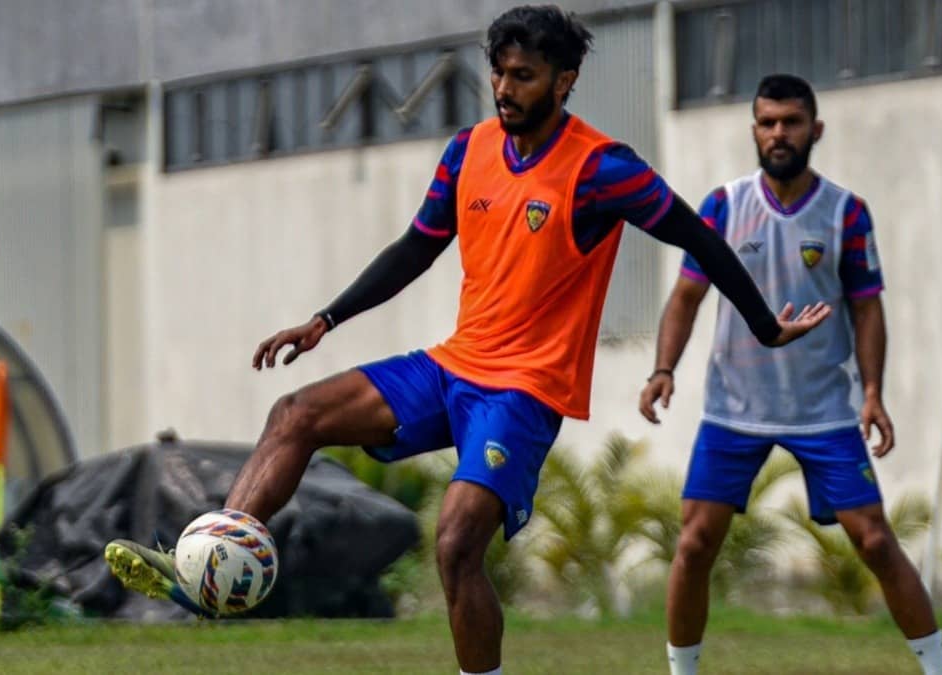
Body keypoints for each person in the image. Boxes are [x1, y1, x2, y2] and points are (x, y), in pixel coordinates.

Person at [105, 8, 828, 674]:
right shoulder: (468, 150)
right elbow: (416, 248)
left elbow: (698, 235)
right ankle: (210, 565)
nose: (505, 89)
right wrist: (325, 318)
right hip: (452, 366)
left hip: (523, 391)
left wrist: (765, 325)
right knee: (296, 413)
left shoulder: (602, 168)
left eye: (524, 76)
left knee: (455, 547)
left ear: (564, 81)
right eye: (499, 72)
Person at [639, 73, 942, 675]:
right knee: (695, 543)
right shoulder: (724, 206)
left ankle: (938, 670)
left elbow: (867, 306)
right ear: (754, 129)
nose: (778, 133)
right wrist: (662, 369)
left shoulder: (846, 212)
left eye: (791, 122)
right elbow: (685, 297)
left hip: (824, 410)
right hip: (735, 407)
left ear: (816, 130)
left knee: (877, 541)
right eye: (767, 122)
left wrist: (875, 393)